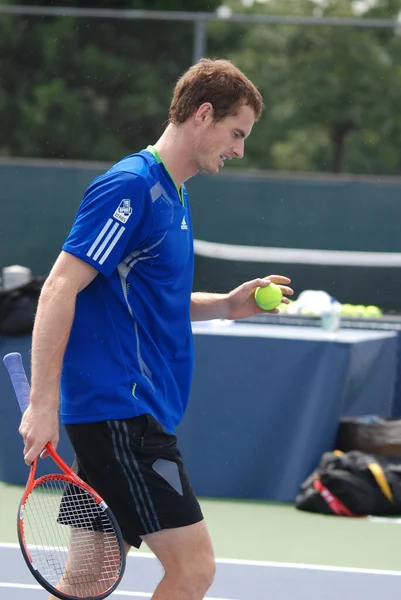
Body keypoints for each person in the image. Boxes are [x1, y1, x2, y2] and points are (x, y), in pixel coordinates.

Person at [19, 58, 293, 600]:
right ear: (204, 115)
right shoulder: (131, 187)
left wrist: (228, 305)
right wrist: (43, 402)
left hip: (125, 415)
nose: (239, 149)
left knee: (89, 575)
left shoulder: (173, 194)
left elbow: (145, 299)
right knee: (194, 570)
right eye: (236, 133)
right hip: (124, 416)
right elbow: (59, 287)